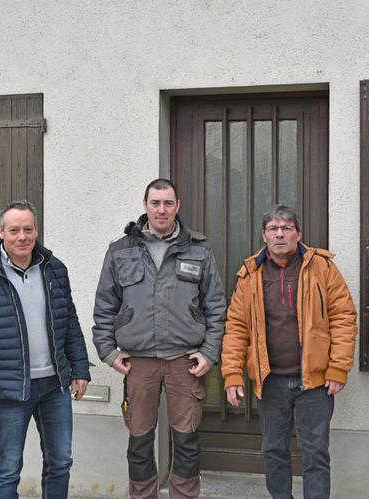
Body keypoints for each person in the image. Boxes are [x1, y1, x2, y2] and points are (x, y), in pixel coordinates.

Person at [92, 178, 226, 499]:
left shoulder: (198, 250)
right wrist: (109, 352)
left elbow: (217, 307)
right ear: (145, 206)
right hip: (139, 363)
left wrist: (209, 352)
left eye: (168, 203)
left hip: (185, 362)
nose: (162, 210)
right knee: (139, 441)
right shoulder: (121, 251)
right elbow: (104, 306)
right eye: (155, 203)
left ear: (178, 206)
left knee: (186, 440)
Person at [0, 200, 91, 499]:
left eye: (28, 229)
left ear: (36, 230)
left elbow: (70, 321)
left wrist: (79, 368)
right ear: (1, 232)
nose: (22, 236)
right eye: (14, 230)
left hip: (55, 385)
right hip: (10, 388)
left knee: (61, 462)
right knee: (7, 467)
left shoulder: (55, 269)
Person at [220, 204, 358, 499]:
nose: (280, 234)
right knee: (273, 452)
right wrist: (232, 374)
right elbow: (236, 328)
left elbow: (344, 318)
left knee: (316, 454)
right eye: (273, 228)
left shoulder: (322, 268)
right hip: (271, 382)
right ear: (264, 235)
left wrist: (338, 368)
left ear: (299, 234)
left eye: (286, 228)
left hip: (315, 383)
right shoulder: (250, 275)